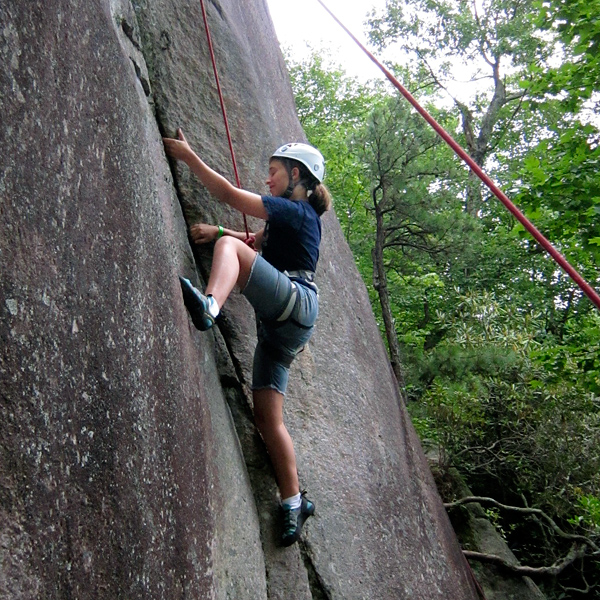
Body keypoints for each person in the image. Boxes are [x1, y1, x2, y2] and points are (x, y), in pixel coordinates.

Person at [163, 129, 332, 547]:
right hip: (283, 329)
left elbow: (229, 194)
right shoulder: (291, 223)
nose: (268, 180)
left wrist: (189, 156)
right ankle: (294, 501)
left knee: (231, 251)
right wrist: (218, 232)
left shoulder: (297, 212)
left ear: (297, 175)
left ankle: (209, 306)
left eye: (274, 172)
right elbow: (253, 241)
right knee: (267, 419)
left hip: (294, 301)